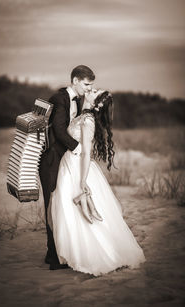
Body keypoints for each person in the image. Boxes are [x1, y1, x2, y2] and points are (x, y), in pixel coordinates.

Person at [47, 89, 146, 276]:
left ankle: (97, 254)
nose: (90, 90)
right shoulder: (84, 115)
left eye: (94, 91)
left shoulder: (88, 121)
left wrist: (82, 181)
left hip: (78, 168)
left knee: (80, 211)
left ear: (97, 103)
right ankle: (76, 252)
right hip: (69, 164)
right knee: (68, 210)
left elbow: (86, 152)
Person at [39, 65, 95, 269]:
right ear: (75, 81)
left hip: (64, 161)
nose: (89, 89)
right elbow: (60, 131)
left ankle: (55, 253)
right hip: (51, 160)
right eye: (86, 84)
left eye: (91, 85)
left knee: (61, 206)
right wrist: (79, 148)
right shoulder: (59, 99)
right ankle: (54, 257)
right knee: (52, 206)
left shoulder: (78, 100)